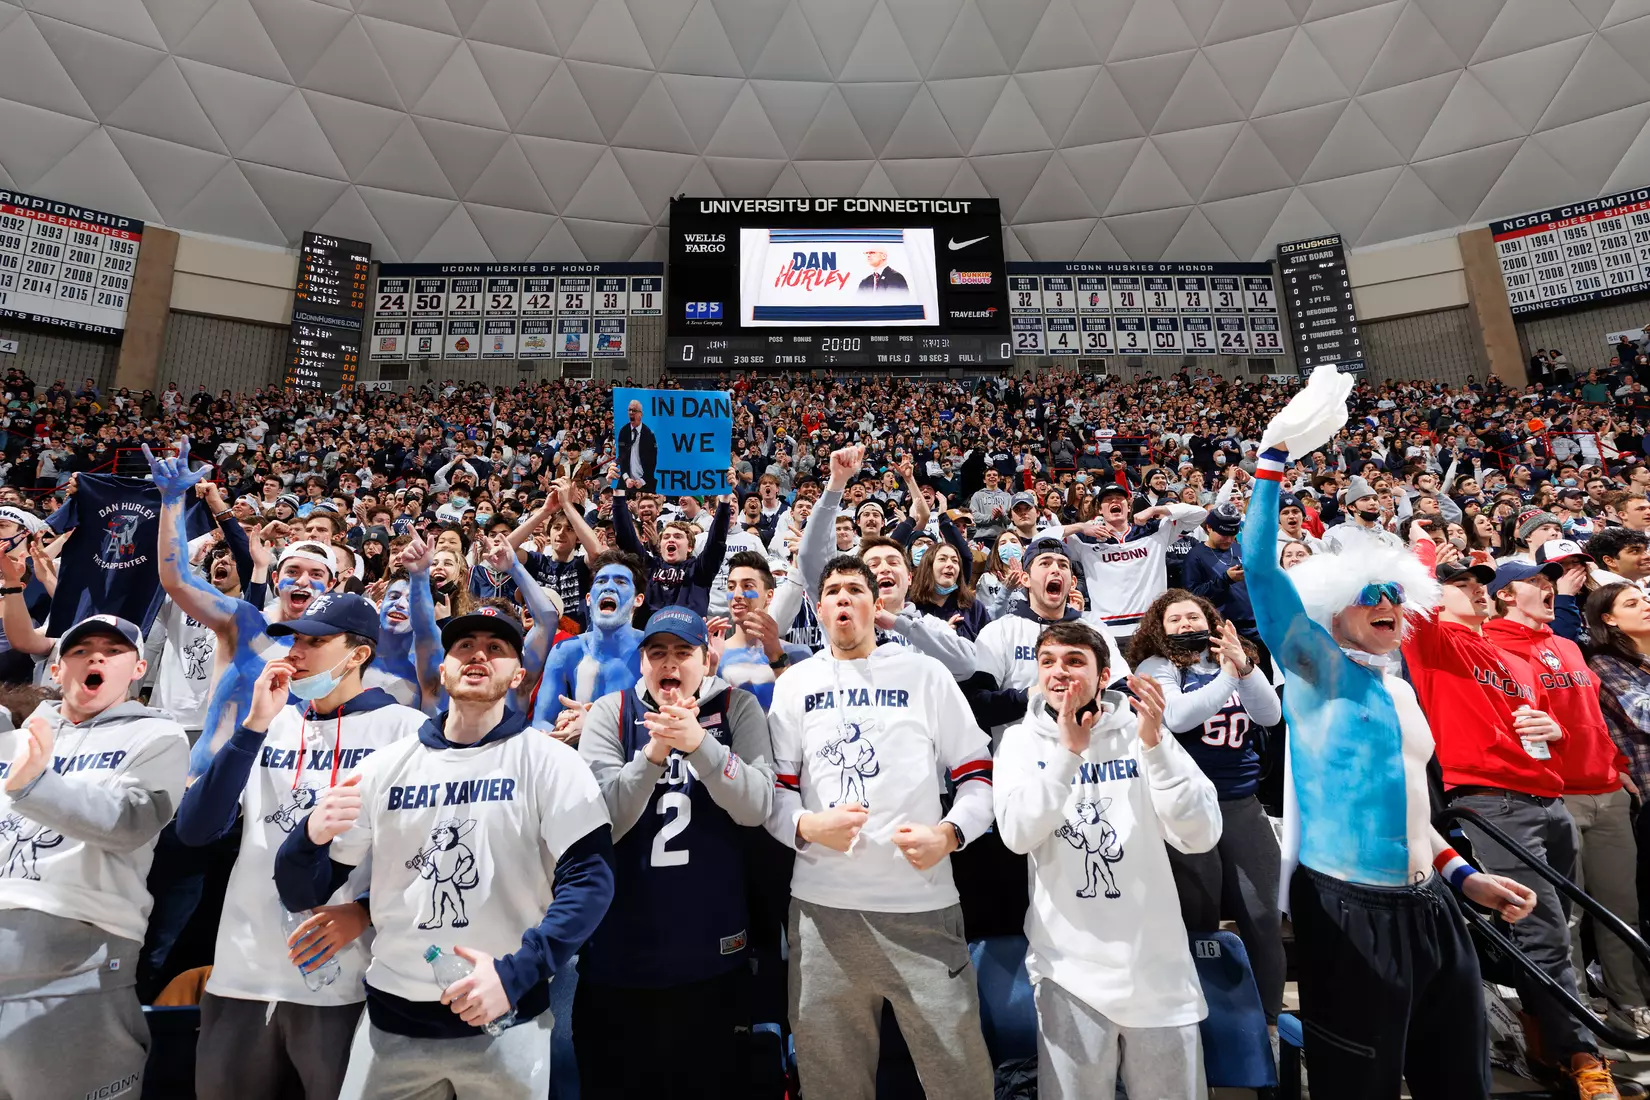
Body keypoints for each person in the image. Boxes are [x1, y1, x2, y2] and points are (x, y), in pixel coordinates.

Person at [1243, 368, 1538, 1099]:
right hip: (1349, 909)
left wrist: (1464, 877)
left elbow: (1410, 808)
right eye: (1369, 596)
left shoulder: (1400, 689)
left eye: (1395, 596)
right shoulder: (1316, 669)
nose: (1386, 605)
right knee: (1359, 1087)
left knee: (1460, 1080)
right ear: (1334, 610)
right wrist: (1272, 461)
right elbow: (1258, 568)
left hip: (1433, 904)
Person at [274, 608, 615, 1100]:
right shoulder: (385, 766)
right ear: (443, 667)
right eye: (464, 646)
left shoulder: (552, 762)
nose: (478, 655)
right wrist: (308, 836)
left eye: (496, 648)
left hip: (507, 1016)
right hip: (391, 1021)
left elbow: (591, 881)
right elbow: (301, 891)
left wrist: (518, 972)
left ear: (518, 675)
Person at [173, 593, 428, 1099]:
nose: (296, 652)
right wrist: (253, 727)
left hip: (345, 977)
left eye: (315, 642)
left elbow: (420, 853)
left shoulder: (408, 731)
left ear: (358, 655)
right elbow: (194, 829)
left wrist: (364, 911)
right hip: (242, 971)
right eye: (294, 639)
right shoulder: (270, 723)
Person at [765, 554, 995, 1100]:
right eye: (833, 591)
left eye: (855, 589)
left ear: (877, 604)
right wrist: (806, 824)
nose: (844, 598)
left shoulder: (925, 674)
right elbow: (775, 791)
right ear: (819, 608)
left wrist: (950, 834)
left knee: (960, 1081)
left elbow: (979, 777)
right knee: (832, 1086)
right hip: (822, 916)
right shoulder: (795, 684)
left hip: (923, 910)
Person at [993, 621, 1221, 1098]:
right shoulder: (1020, 742)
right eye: (1048, 662)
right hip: (1067, 973)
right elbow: (1016, 835)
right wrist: (1067, 756)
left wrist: (1155, 748)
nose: (1059, 672)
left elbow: (1200, 834)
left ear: (1103, 676)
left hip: (1157, 972)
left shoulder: (1143, 731)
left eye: (1074, 661)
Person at [575, 607, 775, 1100]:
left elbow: (756, 807)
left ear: (706, 660)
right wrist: (653, 754)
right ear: (642, 661)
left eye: (683, 652)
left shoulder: (738, 708)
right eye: (657, 652)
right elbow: (602, 822)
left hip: (713, 954)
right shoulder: (611, 712)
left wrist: (701, 745)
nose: (670, 663)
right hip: (619, 957)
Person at [0, 614, 189, 1100]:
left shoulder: (158, 738)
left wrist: (38, 786)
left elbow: (130, 823)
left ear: (139, 669)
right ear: (57, 669)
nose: (96, 658)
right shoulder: (15, 740)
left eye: (113, 650)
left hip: (78, 956)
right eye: (81, 651)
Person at [1484, 562, 1649, 1036]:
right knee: (1565, 918)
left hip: (1607, 789)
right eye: (1534, 583)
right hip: (1554, 794)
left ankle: (1630, 1004)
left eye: (1547, 582)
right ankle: (1577, 1019)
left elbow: (1594, 715)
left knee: (1621, 909)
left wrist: (1616, 764)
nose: (1548, 589)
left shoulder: (1568, 645)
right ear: (1505, 595)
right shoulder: (1491, 645)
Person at [1129, 589, 1285, 1022]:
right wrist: (1231, 677)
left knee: (1264, 917)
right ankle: (1203, 1021)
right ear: (1159, 629)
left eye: (1193, 617)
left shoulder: (1232, 662)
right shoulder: (1156, 666)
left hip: (1241, 804)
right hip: (1186, 810)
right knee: (1198, 919)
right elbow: (1178, 717)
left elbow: (1270, 715)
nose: (1185, 625)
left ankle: (1269, 1024)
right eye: (1175, 619)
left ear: (1210, 621)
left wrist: (1244, 667)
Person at [1060, 481, 1208, 639]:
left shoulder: (1154, 531)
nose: (1114, 501)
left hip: (1150, 627)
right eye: (1108, 499)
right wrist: (1080, 527)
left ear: (1129, 507)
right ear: (1100, 510)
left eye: (1120, 498)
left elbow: (1200, 513)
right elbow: (1043, 538)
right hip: (1106, 631)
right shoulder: (1083, 540)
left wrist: (1155, 509)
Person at [532, 552, 646, 737]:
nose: (609, 587)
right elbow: (541, 721)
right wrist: (559, 733)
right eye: (601, 581)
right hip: (577, 754)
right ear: (588, 599)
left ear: (638, 600)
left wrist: (591, 727)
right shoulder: (566, 652)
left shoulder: (651, 650)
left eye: (621, 582)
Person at [713, 551, 810, 711]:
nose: (736, 595)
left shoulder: (798, 654)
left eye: (747, 586)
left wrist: (777, 657)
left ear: (769, 595)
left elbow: (804, 711)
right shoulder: (714, 655)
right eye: (731, 587)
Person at [617, 400, 657, 493]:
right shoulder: (623, 431)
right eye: (629, 410)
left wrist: (642, 481)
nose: (631, 413)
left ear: (641, 414)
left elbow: (652, 462)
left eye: (634, 410)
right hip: (627, 481)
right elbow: (622, 457)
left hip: (644, 482)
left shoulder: (649, 434)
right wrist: (626, 478)